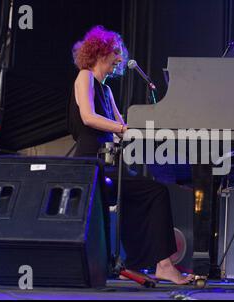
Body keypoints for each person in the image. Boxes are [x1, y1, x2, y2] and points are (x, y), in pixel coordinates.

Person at [68, 25, 193, 285]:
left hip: (109, 161)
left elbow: (121, 127)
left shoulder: (107, 90)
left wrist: (154, 130)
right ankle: (163, 265)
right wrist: (124, 128)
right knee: (155, 192)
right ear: (101, 52)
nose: (119, 60)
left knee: (145, 193)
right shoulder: (85, 77)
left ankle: (142, 261)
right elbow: (88, 118)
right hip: (91, 163)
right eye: (116, 53)